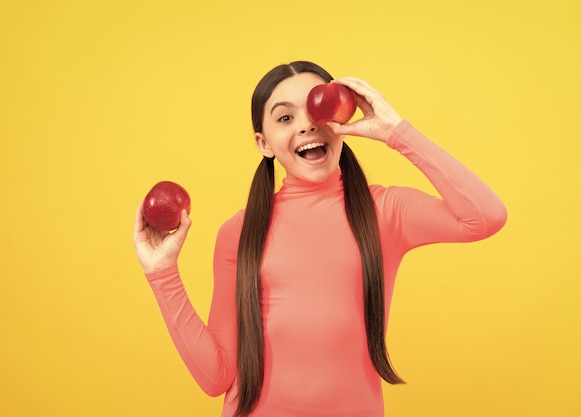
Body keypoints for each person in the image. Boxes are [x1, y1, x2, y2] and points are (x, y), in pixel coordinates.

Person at [133, 61, 507, 417]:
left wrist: (395, 132)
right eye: (285, 117)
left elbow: (485, 217)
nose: (307, 126)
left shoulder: (385, 211)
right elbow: (215, 377)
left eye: (317, 110)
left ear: (341, 119)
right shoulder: (238, 232)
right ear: (264, 143)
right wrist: (163, 273)